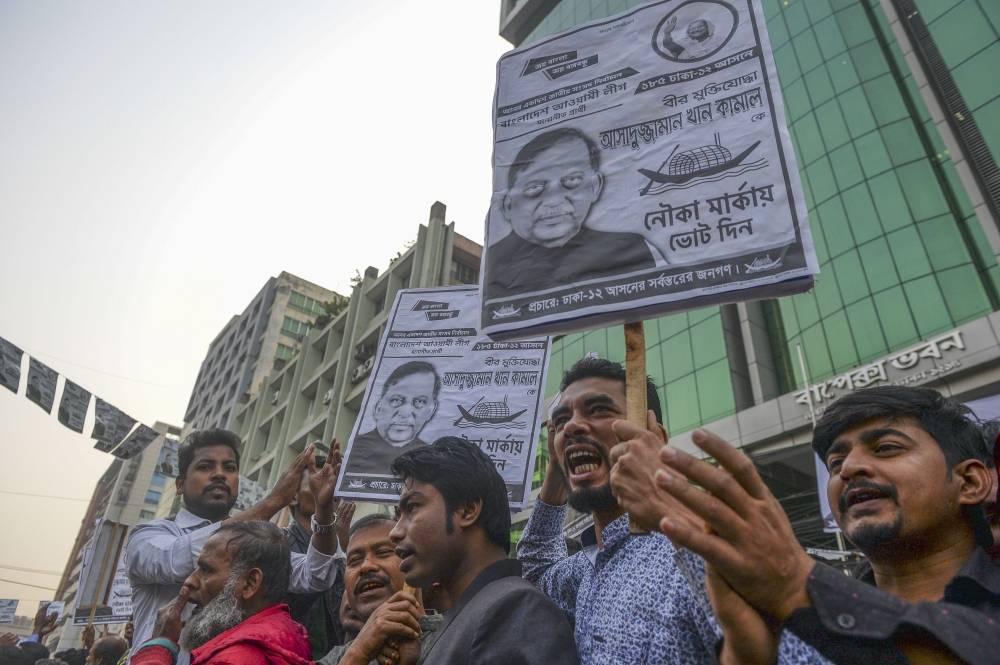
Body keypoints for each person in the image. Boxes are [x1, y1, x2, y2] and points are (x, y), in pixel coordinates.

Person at [644, 386, 1000, 664]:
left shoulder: (806, 603)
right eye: (835, 461)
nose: (848, 469)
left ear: (970, 482)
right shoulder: (797, 621)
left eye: (887, 448)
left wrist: (795, 584)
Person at [523, 356, 823, 664]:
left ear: (655, 438)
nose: (571, 426)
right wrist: (560, 466)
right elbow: (536, 572)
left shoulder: (702, 559)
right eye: (561, 421)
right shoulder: (588, 570)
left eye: (599, 409)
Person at [126, 430, 344, 664]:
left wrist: (323, 511)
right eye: (205, 466)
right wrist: (272, 503)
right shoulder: (148, 536)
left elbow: (316, 574)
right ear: (179, 485)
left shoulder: (254, 541)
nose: (219, 474)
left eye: (229, 468)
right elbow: (176, 560)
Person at [389, 437, 578, 664]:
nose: (395, 532)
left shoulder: (514, 610)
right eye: (398, 515)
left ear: (468, 510)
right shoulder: (466, 616)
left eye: (412, 508)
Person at [485, 128, 656, 300]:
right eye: (535, 188)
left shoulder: (627, 250)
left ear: (595, 186)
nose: (554, 200)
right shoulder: (495, 268)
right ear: (508, 204)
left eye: (572, 180)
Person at [130, 521, 311, 665]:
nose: (190, 581)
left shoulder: (234, 658)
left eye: (206, 569)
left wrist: (160, 646)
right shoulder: (279, 632)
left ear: (250, 583)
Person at [319, 514, 443, 665]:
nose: (365, 566)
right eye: (354, 560)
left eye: (383, 553)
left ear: (414, 565)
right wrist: (357, 655)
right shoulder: (338, 657)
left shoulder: (455, 636)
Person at [284, 447, 355, 659]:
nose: (330, 487)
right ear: (293, 497)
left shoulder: (349, 548)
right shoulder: (278, 545)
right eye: (319, 480)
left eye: (334, 482)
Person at [344, 363, 440, 476]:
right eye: (396, 400)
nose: (405, 413)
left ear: (430, 410)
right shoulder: (355, 451)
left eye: (420, 402)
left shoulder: (432, 459)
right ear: (378, 407)